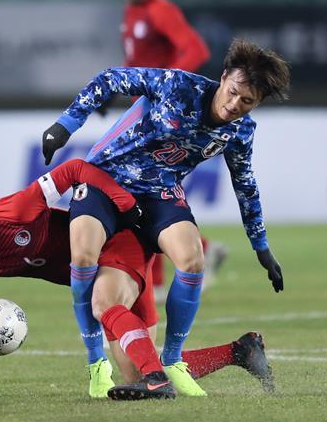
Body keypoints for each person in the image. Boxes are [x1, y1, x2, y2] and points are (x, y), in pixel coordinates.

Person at [0, 159, 275, 400]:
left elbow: (74, 169)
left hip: (119, 246)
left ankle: (159, 381)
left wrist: (123, 202)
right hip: (104, 275)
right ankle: (239, 351)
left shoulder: (15, 210)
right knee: (136, 372)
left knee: (105, 308)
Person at [41, 39, 291, 396]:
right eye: (233, 92)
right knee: (82, 255)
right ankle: (96, 363)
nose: (235, 105)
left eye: (247, 101)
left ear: (257, 104)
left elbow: (245, 185)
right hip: (105, 179)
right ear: (223, 78)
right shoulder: (177, 86)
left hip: (158, 193)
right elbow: (111, 78)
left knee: (192, 259)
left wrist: (261, 246)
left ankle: (173, 358)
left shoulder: (241, 131)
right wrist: (65, 125)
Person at [115, 0, 227, 298]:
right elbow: (138, 63)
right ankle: (202, 248)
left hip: (165, 114)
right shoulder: (132, 13)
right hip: (145, 109)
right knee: (148, 185)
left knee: (145, 184)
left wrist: (168, 86)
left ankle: (163, 276)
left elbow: (195, 49)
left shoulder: (160, 10)